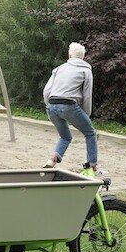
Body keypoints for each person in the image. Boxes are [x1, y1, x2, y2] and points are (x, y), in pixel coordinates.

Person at [42, 42, 98, 170]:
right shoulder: (86, 70)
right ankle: (93, 164)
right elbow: (87, 95)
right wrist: (86, 115)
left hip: (52, 105)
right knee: (90, 133)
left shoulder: (59, 68)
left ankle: (52, 159)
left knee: (65, 136)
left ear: (70, 54)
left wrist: (49, 105)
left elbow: (46, 91)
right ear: (83, 57)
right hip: (69, 105)